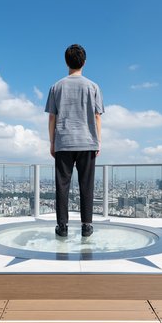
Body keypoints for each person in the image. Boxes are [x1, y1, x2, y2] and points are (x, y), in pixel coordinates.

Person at [45, 43, 104, 237]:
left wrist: (52, 142)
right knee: (86, 185)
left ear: (66, 62)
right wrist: (98, 141)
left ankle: (62, 226)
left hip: (63, 142)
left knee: (62, 185)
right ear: (84, 62)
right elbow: (97, 116)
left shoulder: (56, 86)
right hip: (87, 142)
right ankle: (87, 225)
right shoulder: (93, 86)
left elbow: (52, 117)